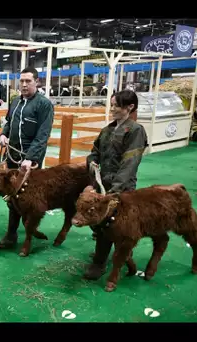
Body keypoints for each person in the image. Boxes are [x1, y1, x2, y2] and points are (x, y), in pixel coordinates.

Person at [83, 89, 148, 281]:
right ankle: (108, 255)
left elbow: (130, 163)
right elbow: (94, 151)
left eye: (116, 105)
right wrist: (92, 161)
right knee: (100, 223)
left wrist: (115, 190)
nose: (112, 109)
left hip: (122, 188)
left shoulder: (135, 130)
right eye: (111, 104)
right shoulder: (108, 129)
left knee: (111, 224)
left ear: (130, 107)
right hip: (102, 183)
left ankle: (100, 262)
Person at [0, 66, 54, 171]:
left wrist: (30, 158)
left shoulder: (44, 104)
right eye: (22, 81)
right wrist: (3, 134)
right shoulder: (15, 102)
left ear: (36, 82)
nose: (24, 84)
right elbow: (9, 122)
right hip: (11, 155)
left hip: (29, 159)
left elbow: (43, 135)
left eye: (28, 81)